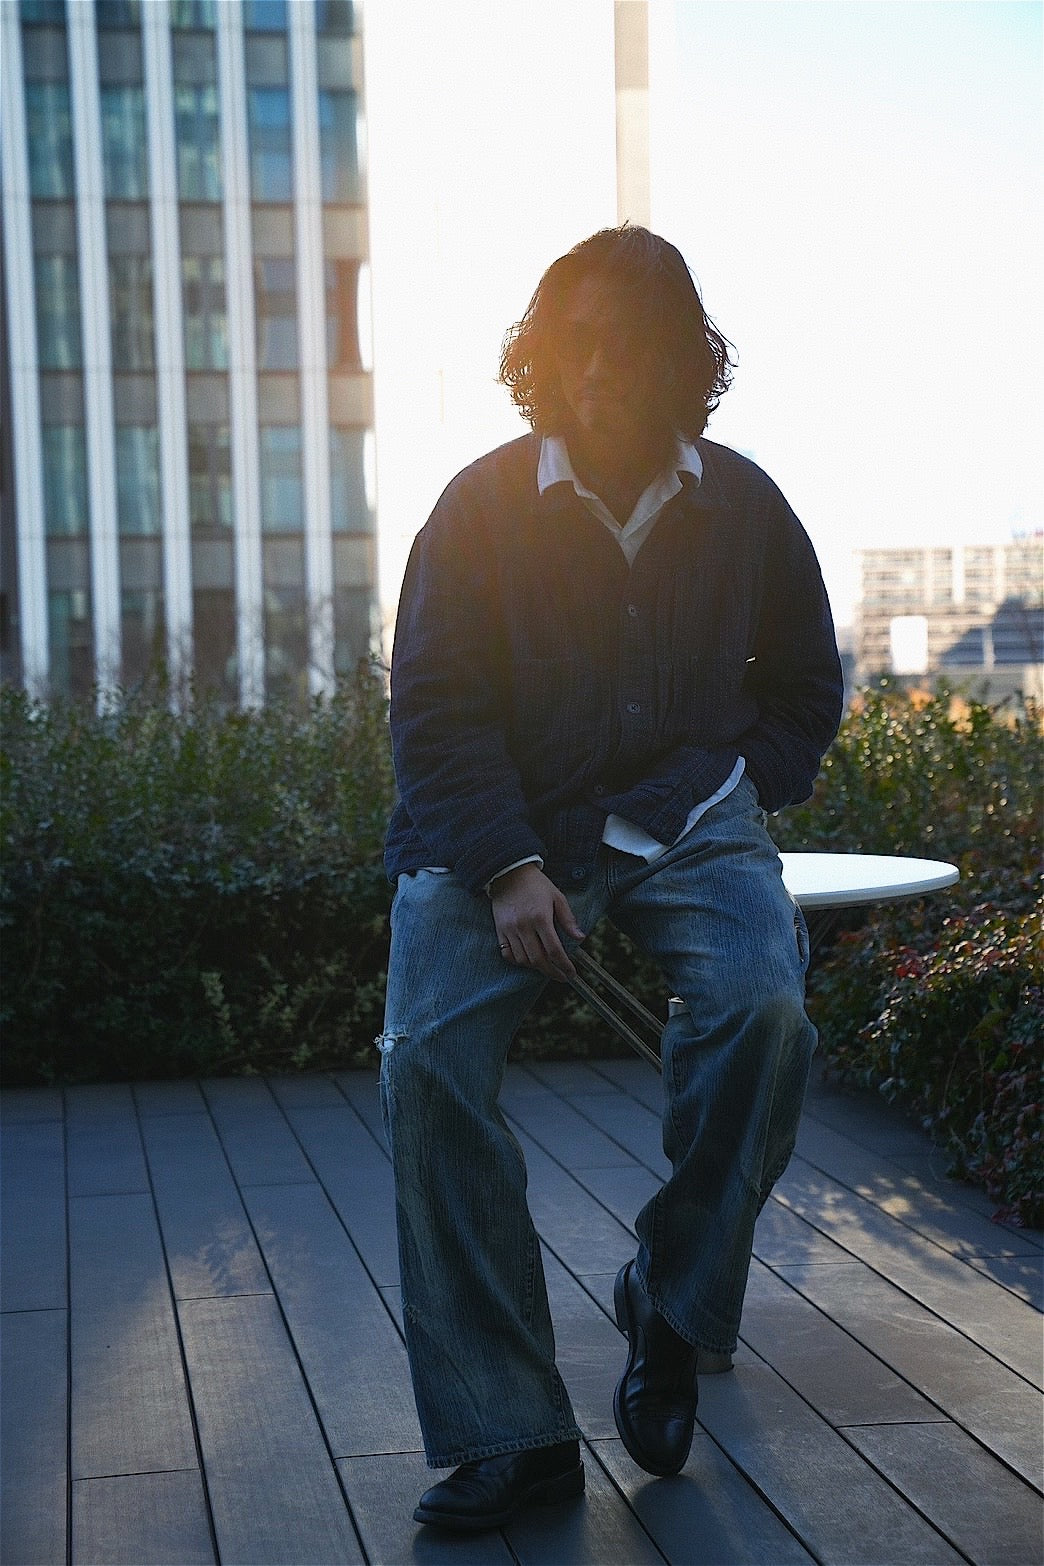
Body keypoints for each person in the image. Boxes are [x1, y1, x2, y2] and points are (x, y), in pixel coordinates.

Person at [378, 225, 844, 1533]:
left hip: (688, 816)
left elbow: (805, 688)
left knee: (766, 1008)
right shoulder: (478, 507)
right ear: (541, 354)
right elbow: (434, 708)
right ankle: (512, 1434)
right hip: (496, 824)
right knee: (428, 1066)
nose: (594, 367)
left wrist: (733, 781)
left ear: (681, 361)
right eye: (571, 341)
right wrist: (510, 864)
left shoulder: (745, 508)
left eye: (625, 344)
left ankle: (673, 1300)